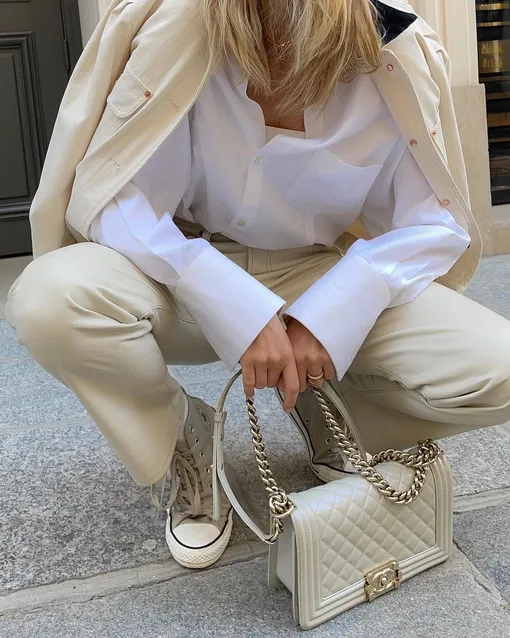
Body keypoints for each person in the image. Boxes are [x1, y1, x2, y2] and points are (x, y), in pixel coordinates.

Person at [6, 0, 510, 570]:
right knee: (50, 300)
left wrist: (334, 313)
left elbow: (433, 223)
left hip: (320, 268)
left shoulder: (394, 50)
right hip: (176, 268)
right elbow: (115, 198)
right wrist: (227, 298)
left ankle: (334, 407)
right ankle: (183, 438)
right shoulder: (175, 31)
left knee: (499, 369)